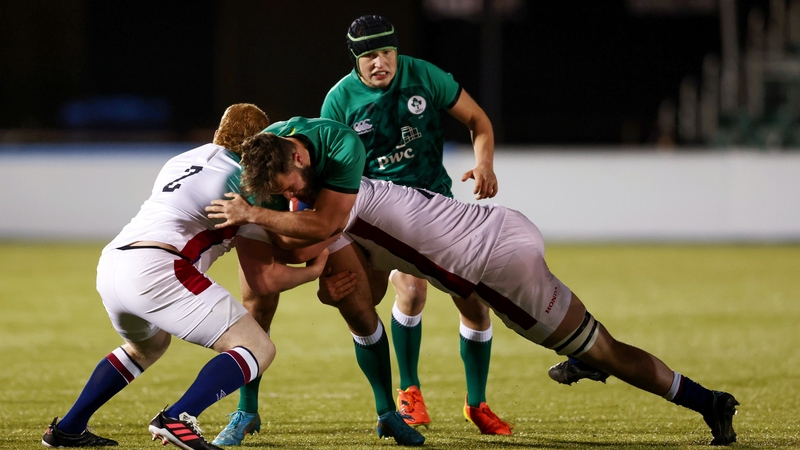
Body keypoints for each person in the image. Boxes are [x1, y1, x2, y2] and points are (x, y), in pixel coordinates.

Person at [211, 171, 740, 447]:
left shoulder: (328, 217)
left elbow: (312, 264)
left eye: (285, 195)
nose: (289, 204)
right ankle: (583, 358)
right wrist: (333, 286)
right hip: (502, 224)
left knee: (606, 350)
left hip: (497, 265)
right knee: (582, 335)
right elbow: (359, 285)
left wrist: (253, 221)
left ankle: (708, 401)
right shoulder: (348, 184)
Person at [41, 104, 329, 449]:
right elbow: (264, 278)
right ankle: (178, 418)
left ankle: (68, 429)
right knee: (257, 348)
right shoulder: (247, 182)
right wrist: (313, 268)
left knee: (147, 347)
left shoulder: (182, 160)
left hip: (115, 263)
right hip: (159, 269)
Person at [316, 14, 511, 434]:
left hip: (436, 203)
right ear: (355, 60)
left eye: (386, 52)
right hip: (382, 213)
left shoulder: (424, 76)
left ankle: (476, 403)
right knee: (412, 288)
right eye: (369, 56)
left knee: (474, 301)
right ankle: (409, 393)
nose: (380, 62)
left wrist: (484, 163)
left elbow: (478, 120)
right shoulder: (339, 101)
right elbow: (330, 169)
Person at [208, 119, 426, 447]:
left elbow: (326, 223)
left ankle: (387, 413)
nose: (287, 193)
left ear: (299, 159)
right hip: (270, 222)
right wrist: (314, 270)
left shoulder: (342, 145)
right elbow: (283, 252)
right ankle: (246, 411)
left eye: (288, 186)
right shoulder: (254, 175)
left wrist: (323, 278)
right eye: (278, 192)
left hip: (323, 221)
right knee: (256, 308)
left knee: (361, 306)